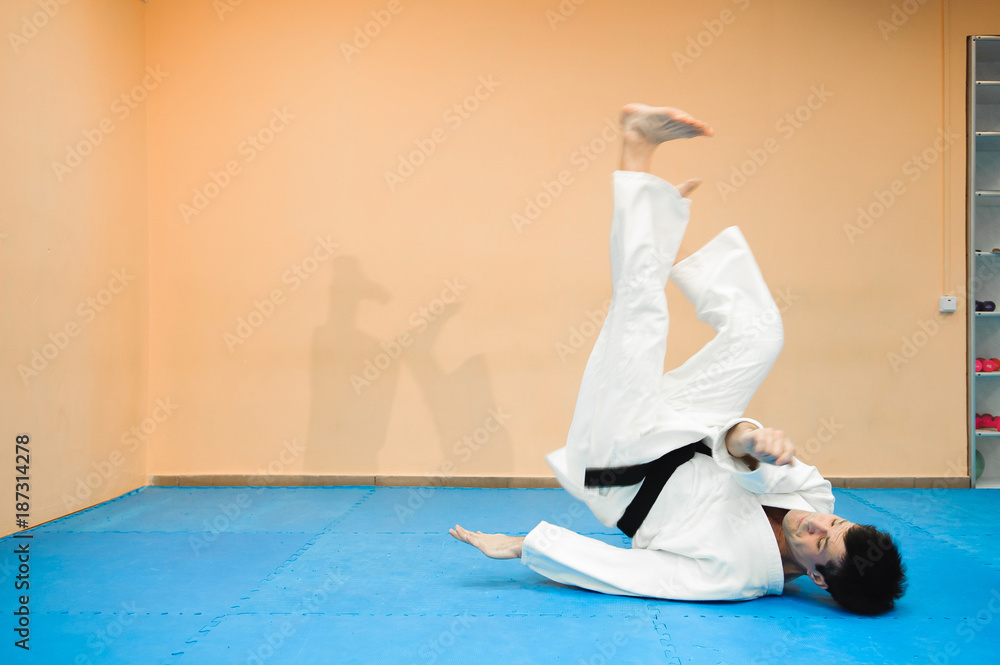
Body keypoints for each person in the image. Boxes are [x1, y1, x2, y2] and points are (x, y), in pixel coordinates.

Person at [450, 103, 906, 615]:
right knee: (761, 334)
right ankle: (659, 231)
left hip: (619, 467)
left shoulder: (737, 575)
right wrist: (751, 438)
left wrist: (520, 545)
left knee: (641, 315)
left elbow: (631, 573)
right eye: (838, 524)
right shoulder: (814, 497)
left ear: (820, 579)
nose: (816, 523)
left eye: (823, 542)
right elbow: (739, 452)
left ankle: (638, 154)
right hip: (687, 433)